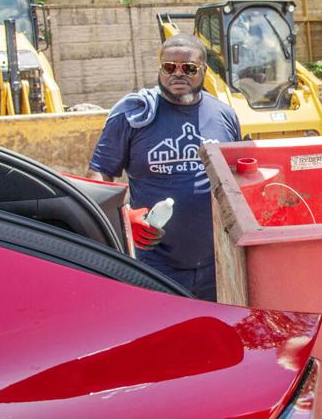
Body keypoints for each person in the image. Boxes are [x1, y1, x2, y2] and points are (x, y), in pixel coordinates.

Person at [88, 34, 240, 300]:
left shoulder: (223, 115)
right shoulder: (133, 116)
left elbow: (238, 175)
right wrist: (121, 218)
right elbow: (100, 172)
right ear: (160, 68)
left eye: (189, 68)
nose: (178, 73)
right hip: (156, 262)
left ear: (203, 70)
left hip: (217, 259)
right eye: (170, 67)